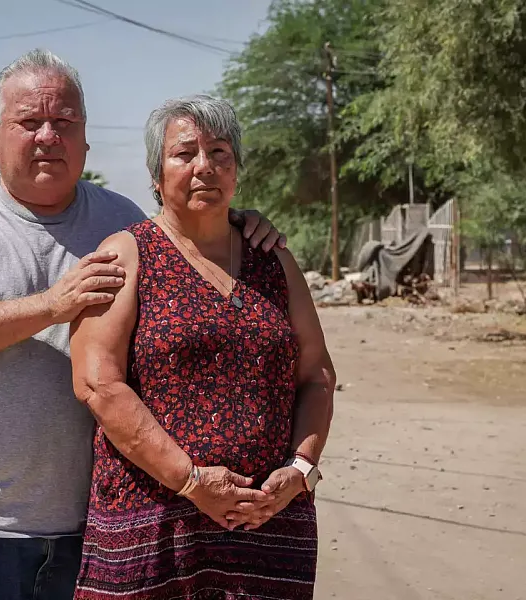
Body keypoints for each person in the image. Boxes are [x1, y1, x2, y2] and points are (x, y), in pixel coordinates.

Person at [0, 50, 286, 600]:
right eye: (29, 122)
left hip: (102, 521)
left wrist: (242, 223)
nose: (48, 135)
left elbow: (191, 231)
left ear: (85, 140)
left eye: (65, 123)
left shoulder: (121, 219)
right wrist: (52, 305)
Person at [70, 95, 335, 599]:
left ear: (236, 170)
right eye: (184, 153)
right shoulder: (126, 254)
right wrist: (190, 480)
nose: (204, 167)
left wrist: (300, 472)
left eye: (220, 153)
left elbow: (317, 375)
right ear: (155, 173)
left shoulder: (273, 259)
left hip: (267, 522)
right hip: (153, 527)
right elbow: (97, 382)